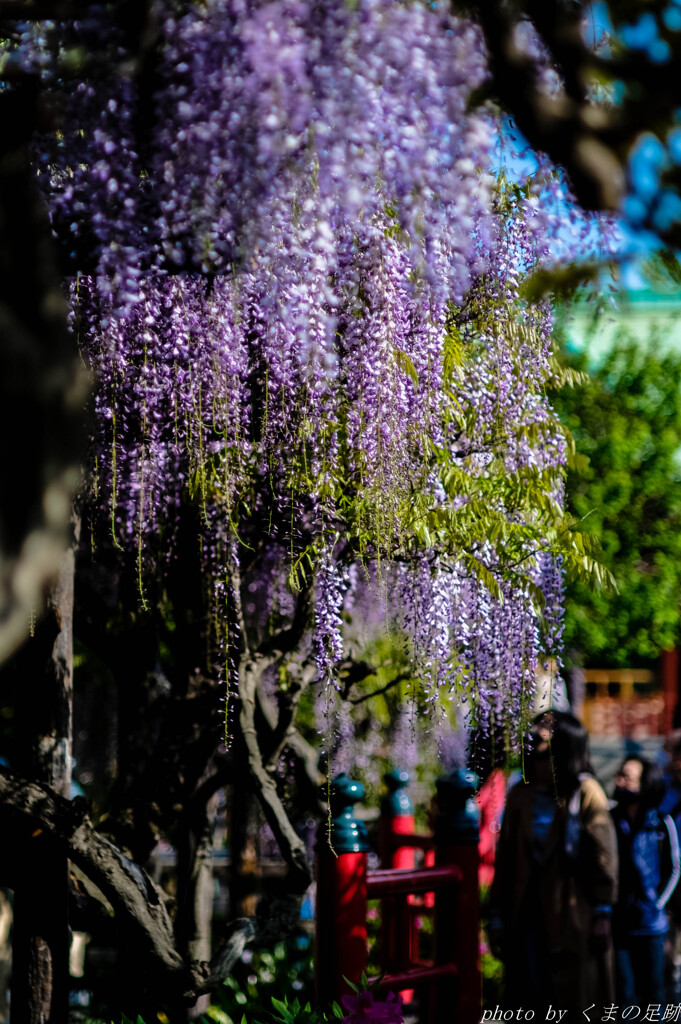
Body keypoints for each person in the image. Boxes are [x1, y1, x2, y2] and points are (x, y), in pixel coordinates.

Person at [489, 710, 618, 1014]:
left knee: (574, 996)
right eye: (531, 738)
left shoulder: (586, 793)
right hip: (527, 912)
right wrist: (496, 914)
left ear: (564, 746)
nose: (533, 743)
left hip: (572, 913)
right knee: (531, 994)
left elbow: (605, 858)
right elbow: (505, 860)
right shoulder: (520, 794)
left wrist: (602, 912)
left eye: (542, 737)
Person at [612, 756, 681, 1009]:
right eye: (619, 775)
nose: (619, 781)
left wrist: (657, 904)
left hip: (652, 925)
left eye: (626, 778)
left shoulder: (661, 823)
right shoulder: (611, 819)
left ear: (645, 786)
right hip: (618, 925)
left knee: (654, 994)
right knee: (624, 995)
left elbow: (674, 869)